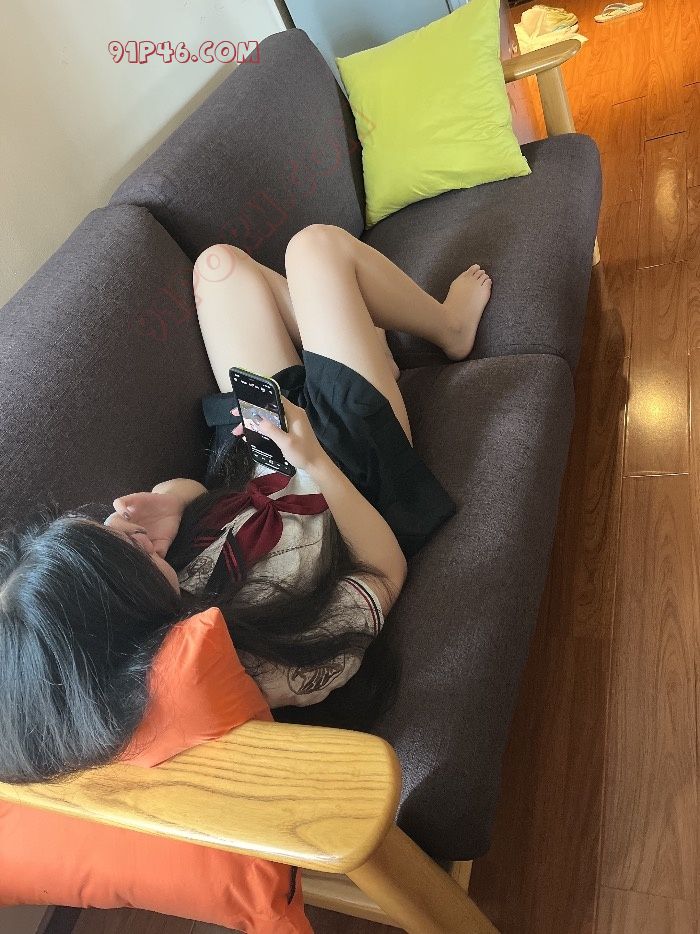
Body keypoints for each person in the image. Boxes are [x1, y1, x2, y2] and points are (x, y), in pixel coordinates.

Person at [0, 224, 491, 784]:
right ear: (123, 621)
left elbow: (210, 499)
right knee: (315, 249)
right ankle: (446, 328)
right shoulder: (271, 662)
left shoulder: (157, 607)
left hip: (266, 450)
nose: (124, 531)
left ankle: (361, 346)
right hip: (353, 478)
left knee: (220, 268)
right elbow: (385, 567)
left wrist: (174, 502)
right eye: (126, 552)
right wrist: (313, 460)